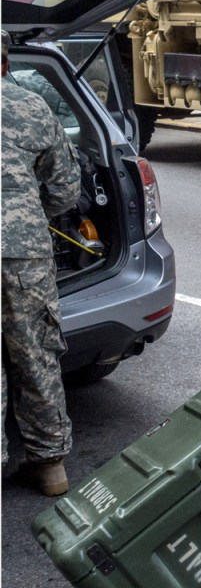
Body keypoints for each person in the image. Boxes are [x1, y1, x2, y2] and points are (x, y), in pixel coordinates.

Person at [1, 30, 81, 497]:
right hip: (26, 254)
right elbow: (65, 189)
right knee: (35, 354)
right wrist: (30, 219)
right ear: (7, 62)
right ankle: (50, 466)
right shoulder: (33, 107)